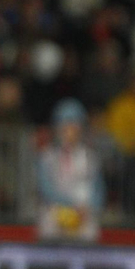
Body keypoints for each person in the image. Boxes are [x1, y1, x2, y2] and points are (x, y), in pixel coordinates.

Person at [37, 99, 103, 241]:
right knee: (49, 228)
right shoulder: (47, 157)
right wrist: (70, 205)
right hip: (55, 212)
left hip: (83, 213)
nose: (69, 132)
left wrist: (90, 207)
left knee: (89, 232)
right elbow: (46, 188)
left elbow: (97, 187)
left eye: (74, 127)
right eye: (64, 127)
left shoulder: (89, 157)